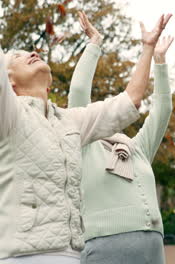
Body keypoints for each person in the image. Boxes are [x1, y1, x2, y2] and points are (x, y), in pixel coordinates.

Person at [0, 10, 155, 263]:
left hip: (72, 254)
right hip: (21, 256)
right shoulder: (7, 112)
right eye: (17, 56)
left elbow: (129, 102)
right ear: (8, 81)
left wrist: (148, 48)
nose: (32, 53)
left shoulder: (69, 121)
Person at [68, 12, 173, 264]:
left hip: (153, 248)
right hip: (103, 247)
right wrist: (94, 43)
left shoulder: (137, 148)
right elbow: (80, 91)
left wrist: (159, 61)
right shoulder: (82, 140)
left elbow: (162, 110)